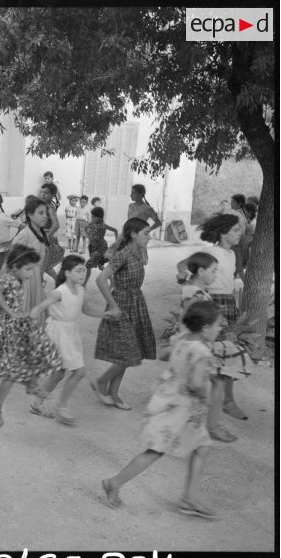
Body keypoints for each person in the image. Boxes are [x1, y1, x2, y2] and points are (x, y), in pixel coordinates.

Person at [101, 301, 222, 519]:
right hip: (182, 410)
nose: (220, 329)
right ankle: (114, 483)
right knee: (155, 451)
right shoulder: (202, 351)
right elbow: (196, 384)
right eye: (218, 325)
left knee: (202, 446)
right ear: (205, 328)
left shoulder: (184, 340)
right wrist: (208, 392)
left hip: (175, 404)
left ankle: (190, 498)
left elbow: (163, 356)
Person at [176, 214, 247, 422]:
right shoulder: (209, 252)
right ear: (223, 233)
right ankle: (206, 398)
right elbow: (183, 266)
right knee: (210, 356)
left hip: (228, 305)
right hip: (211, 304)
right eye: (235, 230)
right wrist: (184, 278)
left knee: (227, 353)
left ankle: (226, 400)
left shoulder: (232, 254)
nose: (240, 234)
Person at [0, 244, 62, 427]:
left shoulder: (18, 280)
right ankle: (2, 403)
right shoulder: (10, 279)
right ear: (16, 266)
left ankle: (29, 383)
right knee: (14, 368)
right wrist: (10, 312)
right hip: (4, 328)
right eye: (28, 269)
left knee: (32, 351)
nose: (30, 274)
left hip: (13, 326)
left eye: (32, 269)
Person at [28, 255, 106, 425]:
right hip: (59, 333)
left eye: (84, 271)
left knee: (59, 373)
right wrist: (32, 317)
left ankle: (36, 403)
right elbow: (43, 305)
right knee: (79, 371)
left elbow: (85, 308)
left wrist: (104, 315)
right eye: (78, 271)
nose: (82, 274)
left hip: (71, 333)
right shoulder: (60, 291)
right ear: (68, 272)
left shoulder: (80, 289)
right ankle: (61, 407)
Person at [92, 218, 156, 410]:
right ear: (133, 234)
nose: (150, 236)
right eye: (146, 233)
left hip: (136, 303)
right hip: (121, 304)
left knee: (126, 353)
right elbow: (101, 279)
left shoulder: (137, 251)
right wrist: (113, 306)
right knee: (128, 353)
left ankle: (113, 394)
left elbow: (145, 260)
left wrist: (142, 244)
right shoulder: (124, 254)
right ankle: (101, 382)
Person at [1, 196, 49, 312]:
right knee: (24, 310)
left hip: (35, 278)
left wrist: (41, 274)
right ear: (30, 214)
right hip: (24, 281)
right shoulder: (24, 236)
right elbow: (10, 262)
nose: (45, 216)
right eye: (41, 213)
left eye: (46, 213)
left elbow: (44, 257)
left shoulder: (42, 235)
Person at [84, 207, 119, 286]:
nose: (92, 218)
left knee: (87, 266)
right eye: (92, 216)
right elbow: (85, 228)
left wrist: (117, 242)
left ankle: (83, 284)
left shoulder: (103, 225)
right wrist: (88, 236)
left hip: (100, 248)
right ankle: (112, 281)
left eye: (94, 217)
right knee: (100, 266)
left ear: (100, 217)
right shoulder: (91, 223)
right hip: (92, 248)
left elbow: (115, 230)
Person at [39, 182, 64, 280]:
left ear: (53, 195)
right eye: (42, 192)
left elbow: (56, 225)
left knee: (43, 266)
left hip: (46, 240)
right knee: (45, 266)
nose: (43, 195)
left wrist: (47, 235)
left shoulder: (50, 208)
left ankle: (39, 286)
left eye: (46, 193)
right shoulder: (43, 205)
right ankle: (58, 280)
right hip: (40, 237)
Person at [229, 194, 248, 277]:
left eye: (233, 201)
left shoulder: (237, 214)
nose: (231, 203)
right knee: (237, 268)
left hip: (237, 243)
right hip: (239, 242)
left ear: (239, 204)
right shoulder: (242, 213)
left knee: (236, 268)